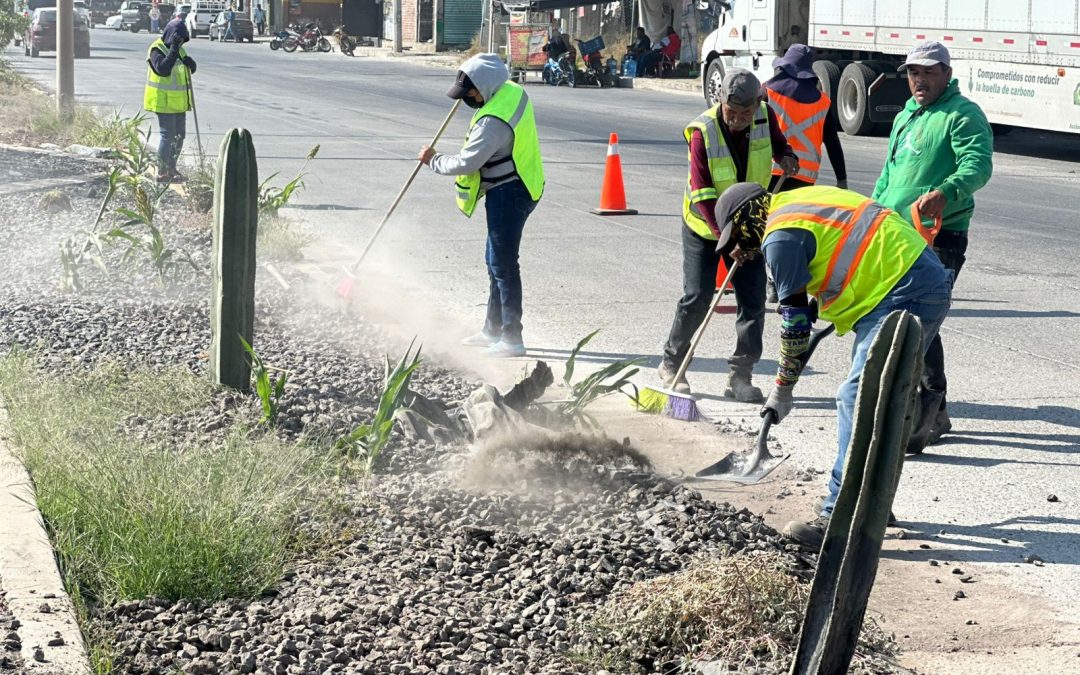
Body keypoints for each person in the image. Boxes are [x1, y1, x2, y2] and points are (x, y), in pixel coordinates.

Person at [709, 182, 952, 550]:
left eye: (738, 236)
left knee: (857, 398)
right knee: (879, 403)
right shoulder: (796, 204)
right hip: (912, 279)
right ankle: (873, 504)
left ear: (747, 216)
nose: (740, 248)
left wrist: (783, 386)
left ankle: (839, 515)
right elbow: (810, 301)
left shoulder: (779, 237)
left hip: (905, 289)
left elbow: (794, 325)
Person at [872, 41, 992, 453]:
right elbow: (890, 174)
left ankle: (926, 407)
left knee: (921, 317)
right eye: (912, 73)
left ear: (946, 73)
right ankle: (935, 409)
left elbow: (978, 166)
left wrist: (946, 192)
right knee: (910, 317)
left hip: (940, 234)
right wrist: (873, 213)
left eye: (927, 72)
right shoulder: (906, 115)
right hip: (897, 234)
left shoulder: (962, 114)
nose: (919, 80)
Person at [658, 69, 798, 402]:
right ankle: (671, 363)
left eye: (744, 114)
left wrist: (788, 156)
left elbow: (779, 145)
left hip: (749, 222)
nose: (737, 120)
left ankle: (740, 376)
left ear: (756, 106)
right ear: (720, 100)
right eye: (731, 112)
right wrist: (728, 241)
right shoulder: (701, 132)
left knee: (752, 301)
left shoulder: (764, 115)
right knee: (698, 296)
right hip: (705, 226)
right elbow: (704, 194)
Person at [418, 54, 545, 358]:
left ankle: (512, 338)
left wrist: (433, 160)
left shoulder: (492, 122)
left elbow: (467, 162)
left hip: (509, 192)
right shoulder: (511, 91)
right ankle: (492, 329)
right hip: (524, 182)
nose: (468, 99)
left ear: (484, 87)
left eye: (470, 93)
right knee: (494, 262)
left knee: (503, 264)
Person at [761, 43, 849, 303]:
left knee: (768, 227)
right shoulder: (822, 101)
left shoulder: (768, 92)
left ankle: (771, 281)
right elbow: (833, 143)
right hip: (804, 177)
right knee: (791, 231)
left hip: (771, 172)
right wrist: (841, 179)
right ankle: (785, 282)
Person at [144, 18, 196, 184]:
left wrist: (191, 63)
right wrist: (173, 48)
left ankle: (172, 168)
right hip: (163, 101)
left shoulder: (180, 50)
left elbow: (190, 69)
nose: (180, 43)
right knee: (168, 136)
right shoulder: (156, 49)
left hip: (179, 103)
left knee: (180, 136)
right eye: (178, 39)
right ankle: (162, 172)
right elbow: (163, 69)